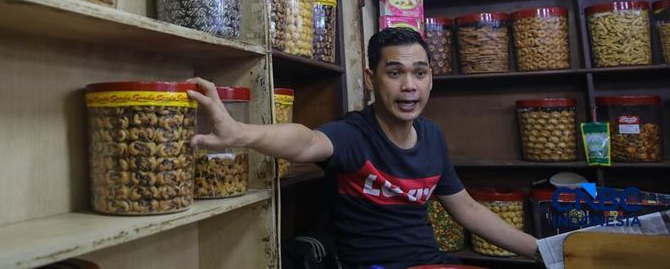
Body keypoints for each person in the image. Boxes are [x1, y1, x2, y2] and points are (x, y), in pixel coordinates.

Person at [187, 27, 539, 269]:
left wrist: (541, 252)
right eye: (395, 72)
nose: (409, 87)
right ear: (371, 79)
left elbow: (468, 210)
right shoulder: (354, 135)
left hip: (432, 263)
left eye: (420, 73)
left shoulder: (432, 137)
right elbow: (307, 141)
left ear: (431, 78)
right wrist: (239, 132)